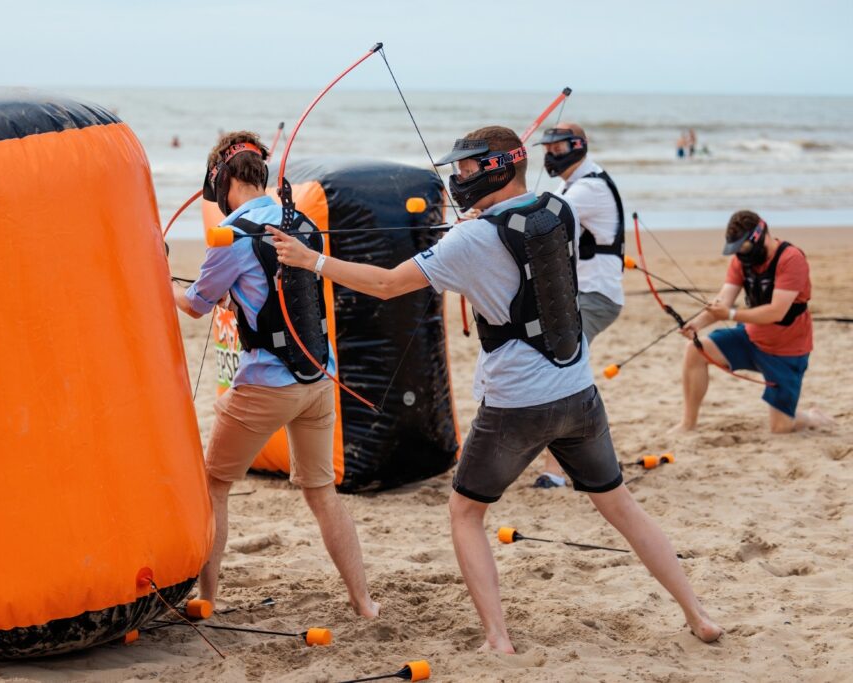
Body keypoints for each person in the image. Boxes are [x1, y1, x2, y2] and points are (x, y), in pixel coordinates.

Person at [269, 125, 721, 654]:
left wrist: (311, 260)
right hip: (577, 390)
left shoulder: (471, 239)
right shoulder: (559, 209)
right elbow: (516, 239)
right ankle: (698, 614)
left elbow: (387, 285)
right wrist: (477, 227)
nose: (458, 177)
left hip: (517, 403)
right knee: (620, 506)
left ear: (496, 167)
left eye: (465, 169)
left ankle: (498, 639)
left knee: (465, 513)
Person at [171, 131, 378, 618]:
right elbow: (279, 294)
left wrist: (161, 280)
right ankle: (364, 602)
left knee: (213, 486)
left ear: (221, 180)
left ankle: (207, 598)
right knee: (322, 494)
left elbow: (196, 305)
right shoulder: (301, 221)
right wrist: (237, 299)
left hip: (266, 385)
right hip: (318, 379)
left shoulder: (232, 235)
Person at [672, 210, 834, 433]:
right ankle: (688, 423)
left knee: (781, 428)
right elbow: (723, 301)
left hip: (786, 351)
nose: (740, 253)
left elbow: (776, 312)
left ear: (759, 236)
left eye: (743, 247)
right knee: (694, 350)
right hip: (751, 337)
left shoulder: (791, 259)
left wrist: (730, 315)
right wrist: (697, 324)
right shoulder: (741, 261)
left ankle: (812, 417)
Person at [534, 123, 626, 488]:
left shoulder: (589, 188)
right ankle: (585, 458)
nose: (550, 155)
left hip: (596, 296)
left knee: (560, 370)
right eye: (547, 149)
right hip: (577, 295)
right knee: (559, 369)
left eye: (557, 148)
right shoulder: (569, 185)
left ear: (577, 146)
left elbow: (541, 219)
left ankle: (557, 471)